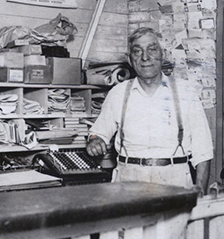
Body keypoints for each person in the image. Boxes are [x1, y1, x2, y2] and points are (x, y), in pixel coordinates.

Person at [86, 27, 213, 194]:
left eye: (152, 49)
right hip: (129, 181)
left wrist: (200, 193)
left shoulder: (185, 92)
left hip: (175, 180)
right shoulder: (118, 94)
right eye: (137, 51)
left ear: (163, 54)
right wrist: (95, 140)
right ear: (129, 59)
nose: (145, 57)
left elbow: (202, 151)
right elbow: (98, 133)